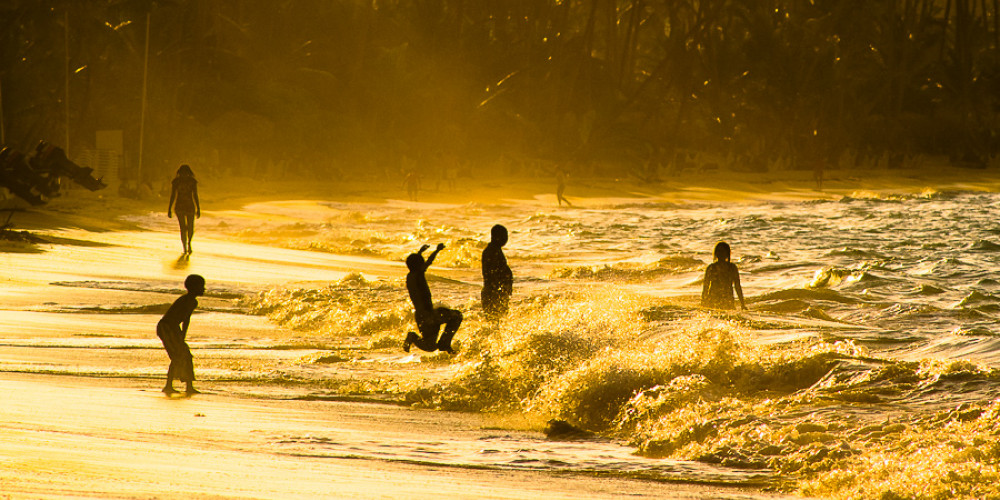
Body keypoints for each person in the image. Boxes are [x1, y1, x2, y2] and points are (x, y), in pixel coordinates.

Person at [404, 243, 462, 354]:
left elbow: (415, 263)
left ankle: (413, 337)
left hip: (420, 316)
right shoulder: (418, 274)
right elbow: (428, 263)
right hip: (429, 315)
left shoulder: (410, 276)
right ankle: (445, 343)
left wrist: (419, 253)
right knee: (457, 316)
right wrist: (437, 250)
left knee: (430, 346)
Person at [157, 274, 205, 395]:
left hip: (173, 328)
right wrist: (182, 335)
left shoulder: (192, 301)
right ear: (194, 288)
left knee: (186, 355)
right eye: (201, 286)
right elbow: (185, 319)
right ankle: (169, 386)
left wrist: (182, 336)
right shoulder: (189, 301)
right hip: (166, 327)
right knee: (178, 355)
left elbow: (185, 319)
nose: (204, 289)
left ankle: (189, 386)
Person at [701, 241, 747, 311]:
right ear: (716, 253)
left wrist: (742, 304)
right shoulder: (711, 268)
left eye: (723, 251)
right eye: (719, 251)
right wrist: (703, 302)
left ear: (727, 253)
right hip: (713, 300)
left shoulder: (732, 268)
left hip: (728, 300)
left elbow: (737, 286)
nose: (720, 253)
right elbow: (705, 286)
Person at [481, 224, 512, 326]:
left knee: (498, 324)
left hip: (496, 292)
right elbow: (491, 274)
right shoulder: (491, 251)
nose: (506, 239)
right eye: (504, 236)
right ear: (496, 236)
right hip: (492, 293)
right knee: (494, 324)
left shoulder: (495, 250)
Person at [167, 164, 201, 254]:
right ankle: (184, 247)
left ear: (188, 173)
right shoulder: (176, 182)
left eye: (185, 173)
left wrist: (198, 208)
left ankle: (189, 243)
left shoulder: (192, 182)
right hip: (180, 207)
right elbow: (173, 195)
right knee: (183, 227)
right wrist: (169, 208)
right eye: (182, 173)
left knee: (190, 227)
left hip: (189, 206)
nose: (184, 175)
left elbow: (195, 195)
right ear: (180, 173)